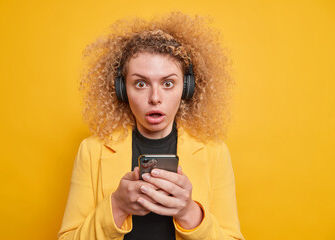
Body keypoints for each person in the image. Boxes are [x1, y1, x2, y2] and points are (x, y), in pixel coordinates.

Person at [58, 11, 245, 240]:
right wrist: (117, 206)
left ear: (186, 89)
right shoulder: (91, 151)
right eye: (140, 83)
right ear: (122, 90)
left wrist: (189, 212)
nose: (155, 97)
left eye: (168, 83)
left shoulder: (215, 152)